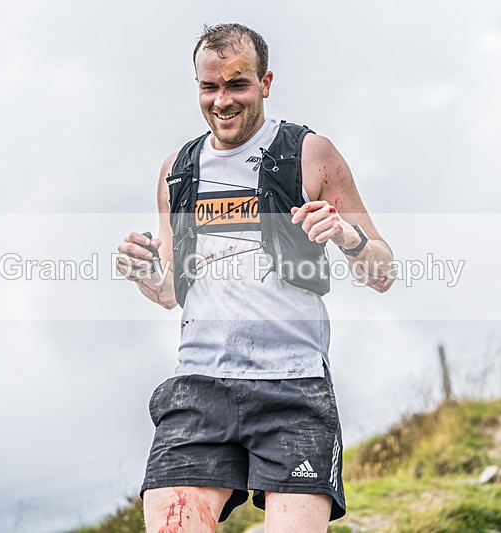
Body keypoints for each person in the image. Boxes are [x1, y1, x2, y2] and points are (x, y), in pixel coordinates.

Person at [115, 23, 394, 532]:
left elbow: (383, 271)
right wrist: (144, 274)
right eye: (209, 87)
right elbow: (171, 292)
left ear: (265, 83)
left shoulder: (311, 154)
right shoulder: (178, 169)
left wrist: (345, 237)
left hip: (293, 387)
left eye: (237, 85)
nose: (222, 101)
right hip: (199, 387)